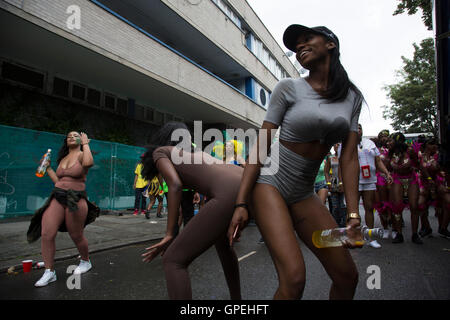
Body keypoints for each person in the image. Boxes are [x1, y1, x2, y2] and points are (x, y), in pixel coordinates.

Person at [228, 25, 364, 300]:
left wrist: (353, 215)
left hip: (303, 193)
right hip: (270, 182)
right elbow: (262, 146)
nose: (299, 47)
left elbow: (349, 157)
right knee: (294, 278)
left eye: (307, 39)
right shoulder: (288, 87)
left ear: (330, 44)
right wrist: (241, 203)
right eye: (295, 45)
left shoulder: (352, 97)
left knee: (347, 276)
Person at [140, 122, 245, 300]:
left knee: (173, 260)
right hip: (243, 186)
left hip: (226, 193)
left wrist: (170, 234)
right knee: (224, 247)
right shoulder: (197, 154)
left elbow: (175, 185)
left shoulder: (161, 152)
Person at [27, 131, 98, 287]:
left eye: (75, 135)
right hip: (58, 195)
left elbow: (88, 164)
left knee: (76, 235)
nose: (71, 137)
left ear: (81, 140)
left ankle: (86, 261)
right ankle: (49, 272)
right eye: (69, 136)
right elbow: (59, 181)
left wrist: (86, 144)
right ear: (66, 142)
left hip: (75, 198)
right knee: (47, 233)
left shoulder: (82, 154)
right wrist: (49, 168)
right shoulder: (63, 158)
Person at [355, 124, 392, 248]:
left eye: (360, 127)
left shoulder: (370, 143)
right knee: (354, 210)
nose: (358, 129)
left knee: (369, 207)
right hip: (354, 181)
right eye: (356, 127)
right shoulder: (346, 144)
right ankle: (356, 237)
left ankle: (370, 238)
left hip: (369, 180)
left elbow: (378, 161)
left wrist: (386, 173)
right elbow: (341, 163)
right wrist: (341, 181)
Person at [388, 132, 422, 244]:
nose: (389, 142)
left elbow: (418, 164)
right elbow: (389, 168)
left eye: (391, 140)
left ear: (397, 141)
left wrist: (412, 165)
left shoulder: (410, 151)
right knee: (397, 206)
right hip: (397, 179)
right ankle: (399, 234)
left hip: (411, 179)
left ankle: (415, 234)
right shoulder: (391, 153)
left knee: (414, 206)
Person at [374, 130, 393, 239]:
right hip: (379, 178)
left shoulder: (393, 150)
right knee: (381, 203)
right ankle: (385, 227)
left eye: (387, 136)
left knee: (393, 203)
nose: (385, 139)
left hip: (392, 177)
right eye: (382, 136)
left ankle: (395, 228)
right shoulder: (375, 150)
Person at [325, 143, 346, 227]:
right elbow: (326, 171)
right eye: (335, 145)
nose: (337, 146)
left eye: (339, 144)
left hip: (344, 183)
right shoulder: (331, 158)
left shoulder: (346, 157)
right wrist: (328, 182)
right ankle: (335, 225)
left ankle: (344, 225)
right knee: (335, 206)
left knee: (343, 205)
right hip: (334, 183)